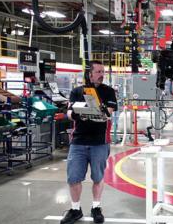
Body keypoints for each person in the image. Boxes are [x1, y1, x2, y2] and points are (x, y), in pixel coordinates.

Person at [61, 61, 117, 224]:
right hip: (78, 141)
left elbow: (109, 113)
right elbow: (69, 113)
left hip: (99, 142)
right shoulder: (76, 91)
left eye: (103, 72)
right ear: (90, 73)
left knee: (97, 177)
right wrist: (78, 114)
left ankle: (96, 207)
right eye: (98, 71)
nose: (101, 74)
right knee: (73, 178)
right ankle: (75, 209)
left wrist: (98, 110)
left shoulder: (108, 92)